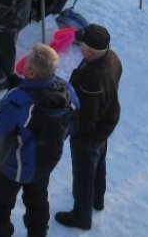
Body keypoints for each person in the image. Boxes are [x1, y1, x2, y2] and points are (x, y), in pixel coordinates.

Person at [0, 43, 78, 237]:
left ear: (32, 73)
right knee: (38, 202)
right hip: (44, 163)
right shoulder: (66, 89)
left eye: (27, 64)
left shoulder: (18, 101)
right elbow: (74, 117)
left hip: (12, 168)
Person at [54, 25, 121, 230]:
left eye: (81, 44)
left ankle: (81, 216)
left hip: (89, 133)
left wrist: (74, 130)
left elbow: (87, 115)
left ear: (90, 52)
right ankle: (97, 199)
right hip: (106, 124)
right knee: (99, 163)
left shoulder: (93, 79)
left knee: (84, 173)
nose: (79, 46)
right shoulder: (112, 58)